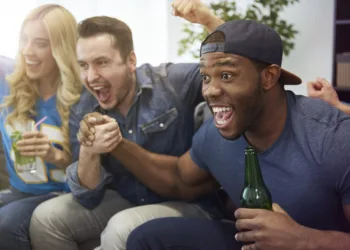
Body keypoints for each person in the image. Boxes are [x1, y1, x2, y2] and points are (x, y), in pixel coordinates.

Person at [122, 0, 350, 249]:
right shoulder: (217, 134)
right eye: (206, 77)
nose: (210, 91)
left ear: (269, 77)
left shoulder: (334, 139)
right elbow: (179, 178)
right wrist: (117, 144)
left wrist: (303, 240)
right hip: (252, 243)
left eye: (227, 76)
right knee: (147, 238)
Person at [29, 12, 227, 250]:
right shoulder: (83, 106)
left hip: (188, 204)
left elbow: (229, 69)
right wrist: (89, 151)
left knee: (121, 228)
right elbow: (87, 195)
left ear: (131, 60)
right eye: (84, 65)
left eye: (102, 62)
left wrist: (209, 21)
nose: (91, 77)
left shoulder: (172, 81)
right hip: (125, 199)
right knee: (46, 218)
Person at [0, 4, 82, 250]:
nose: (28, 51)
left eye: (40, 43)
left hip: (63, 195)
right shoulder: (9, 88)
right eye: (24, 40)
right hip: (18, 191)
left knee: (6, 224)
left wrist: (54, 155)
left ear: (61, 48)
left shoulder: (82, 97)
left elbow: (97, 175)